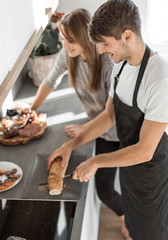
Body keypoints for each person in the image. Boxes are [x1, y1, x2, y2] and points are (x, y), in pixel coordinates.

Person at [47, 1, 168, 240]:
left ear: (127, 35)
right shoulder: (120, 66)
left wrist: (96, 162)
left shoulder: (159, 79)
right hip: (129, 169)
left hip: (152, 177)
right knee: (134, 226)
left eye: (105, 43)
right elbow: (108, 116)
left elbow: (145, 151)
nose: (101, 50)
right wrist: (70, 145)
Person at [30, 8, 129, 238]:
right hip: (99, 130)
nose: (64, 45)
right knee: (105, 190)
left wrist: (84, 130)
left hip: (121, 131)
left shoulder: (108, 63)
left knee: (131, 184)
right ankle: (125, 214)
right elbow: (49, 80)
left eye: (69, 39)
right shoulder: (69, 56)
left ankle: (133, 218)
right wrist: (31, 110)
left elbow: (110, 115)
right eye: (63, 39)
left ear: (84, 37)